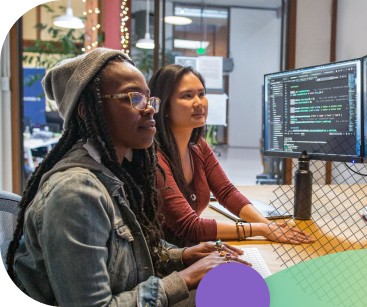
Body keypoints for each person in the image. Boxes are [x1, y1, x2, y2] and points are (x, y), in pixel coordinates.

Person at [6, 48, 247, 307]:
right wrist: (186, 278)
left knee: (241, 288)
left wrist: (184, 255)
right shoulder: (76, 192)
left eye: (148, 98)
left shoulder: (117, 172)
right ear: (88, 110)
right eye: (133, 98)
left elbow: (131, 256)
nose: (149, 109)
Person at [148, 64, 314, 247]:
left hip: (190, 250)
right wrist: (260, 229)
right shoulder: (155, 157)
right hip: (164, 262)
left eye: (202, 94)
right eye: (187, 96)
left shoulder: (198, 146)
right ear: (164, 106)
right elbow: (190, 227)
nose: (199, 103)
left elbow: (226, 192)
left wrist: (267, 224)